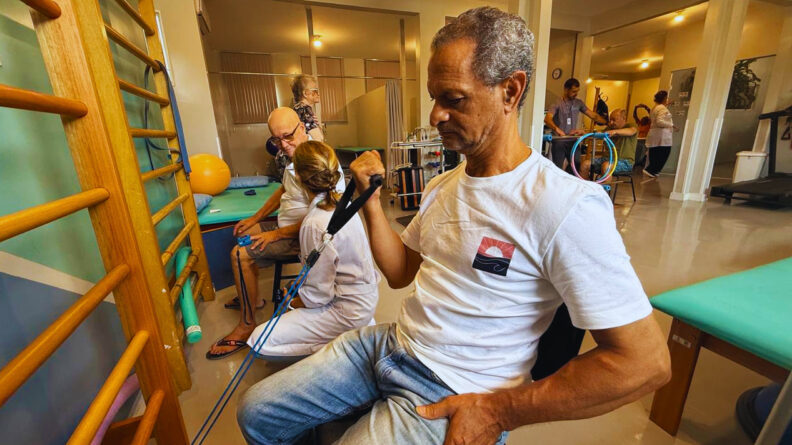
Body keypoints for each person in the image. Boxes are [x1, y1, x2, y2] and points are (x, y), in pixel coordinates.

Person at [237, 8, 670, 445]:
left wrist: (499, 412)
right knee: (257, 413)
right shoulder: (442, 185)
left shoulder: (565, 204)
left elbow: (644, 363)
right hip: (392, 345)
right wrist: (369, 202)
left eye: (453, 99)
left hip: (458, 386)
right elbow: (400, 272)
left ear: (511, 90)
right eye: (434, 98)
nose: (435, 116)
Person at [207, 107, 345, 360]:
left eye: (288, 136)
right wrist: (256, 218)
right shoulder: (294, 155)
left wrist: (276, 235)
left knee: (239, 254)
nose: (283, 145)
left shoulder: (319, 160)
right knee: (243, 233)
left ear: (302, 128)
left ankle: (246, 324)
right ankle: (253, 298)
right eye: (276, 139)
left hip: (304, 237)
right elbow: (283, 190)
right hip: (286, 228)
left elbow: (326, 219)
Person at [246, 140, 379, 359]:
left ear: (298, 177)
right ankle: (355, 331)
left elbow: (318, 296)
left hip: (347, 310)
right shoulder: (344, 205)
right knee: (294, 293)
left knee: (258, 341)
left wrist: (293, 302)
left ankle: (347, 343)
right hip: (364, 299)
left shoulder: (314, 223)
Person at [544, 78, 607, 169]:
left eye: (577, 91)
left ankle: (570, 177)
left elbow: (594, 116)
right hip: (559, 141)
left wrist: (607, 123)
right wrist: (557, 129)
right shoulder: (557, 103)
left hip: (573, 141)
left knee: (577, 167)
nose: (576, 94)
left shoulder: (578, 103)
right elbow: (547, 119)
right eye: (573, 91)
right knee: (557, 168)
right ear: (566, 89)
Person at [580, 109, 638, 181]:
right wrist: (583, 133)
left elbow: (632, 131)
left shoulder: (631, 126)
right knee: (585, 164)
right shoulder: (610, 128)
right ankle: (586, 187)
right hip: (606, 159)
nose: (611, 122)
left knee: (606, 166)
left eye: (614, 120)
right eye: (610, 120)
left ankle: (605, 188)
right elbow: (597, 134)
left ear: (623, 118)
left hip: (625, 162)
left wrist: (615, 132)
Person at [644, 90, 674, 178]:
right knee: (664, 152)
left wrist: (666, 104)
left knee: (655, 151)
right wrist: (671, 125)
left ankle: (653, 170)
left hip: (655, 134)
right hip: (662, 135)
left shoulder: (655, 108)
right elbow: (660, 121)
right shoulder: (662, 108)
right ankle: (653, 170)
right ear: (664, 98)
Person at [291, 74, 325, 142]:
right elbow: (318, 139)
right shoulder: (305, 109)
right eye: (315, 90)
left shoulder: (298, 108)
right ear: (305, 93)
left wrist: (316, 125)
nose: (318, 94)